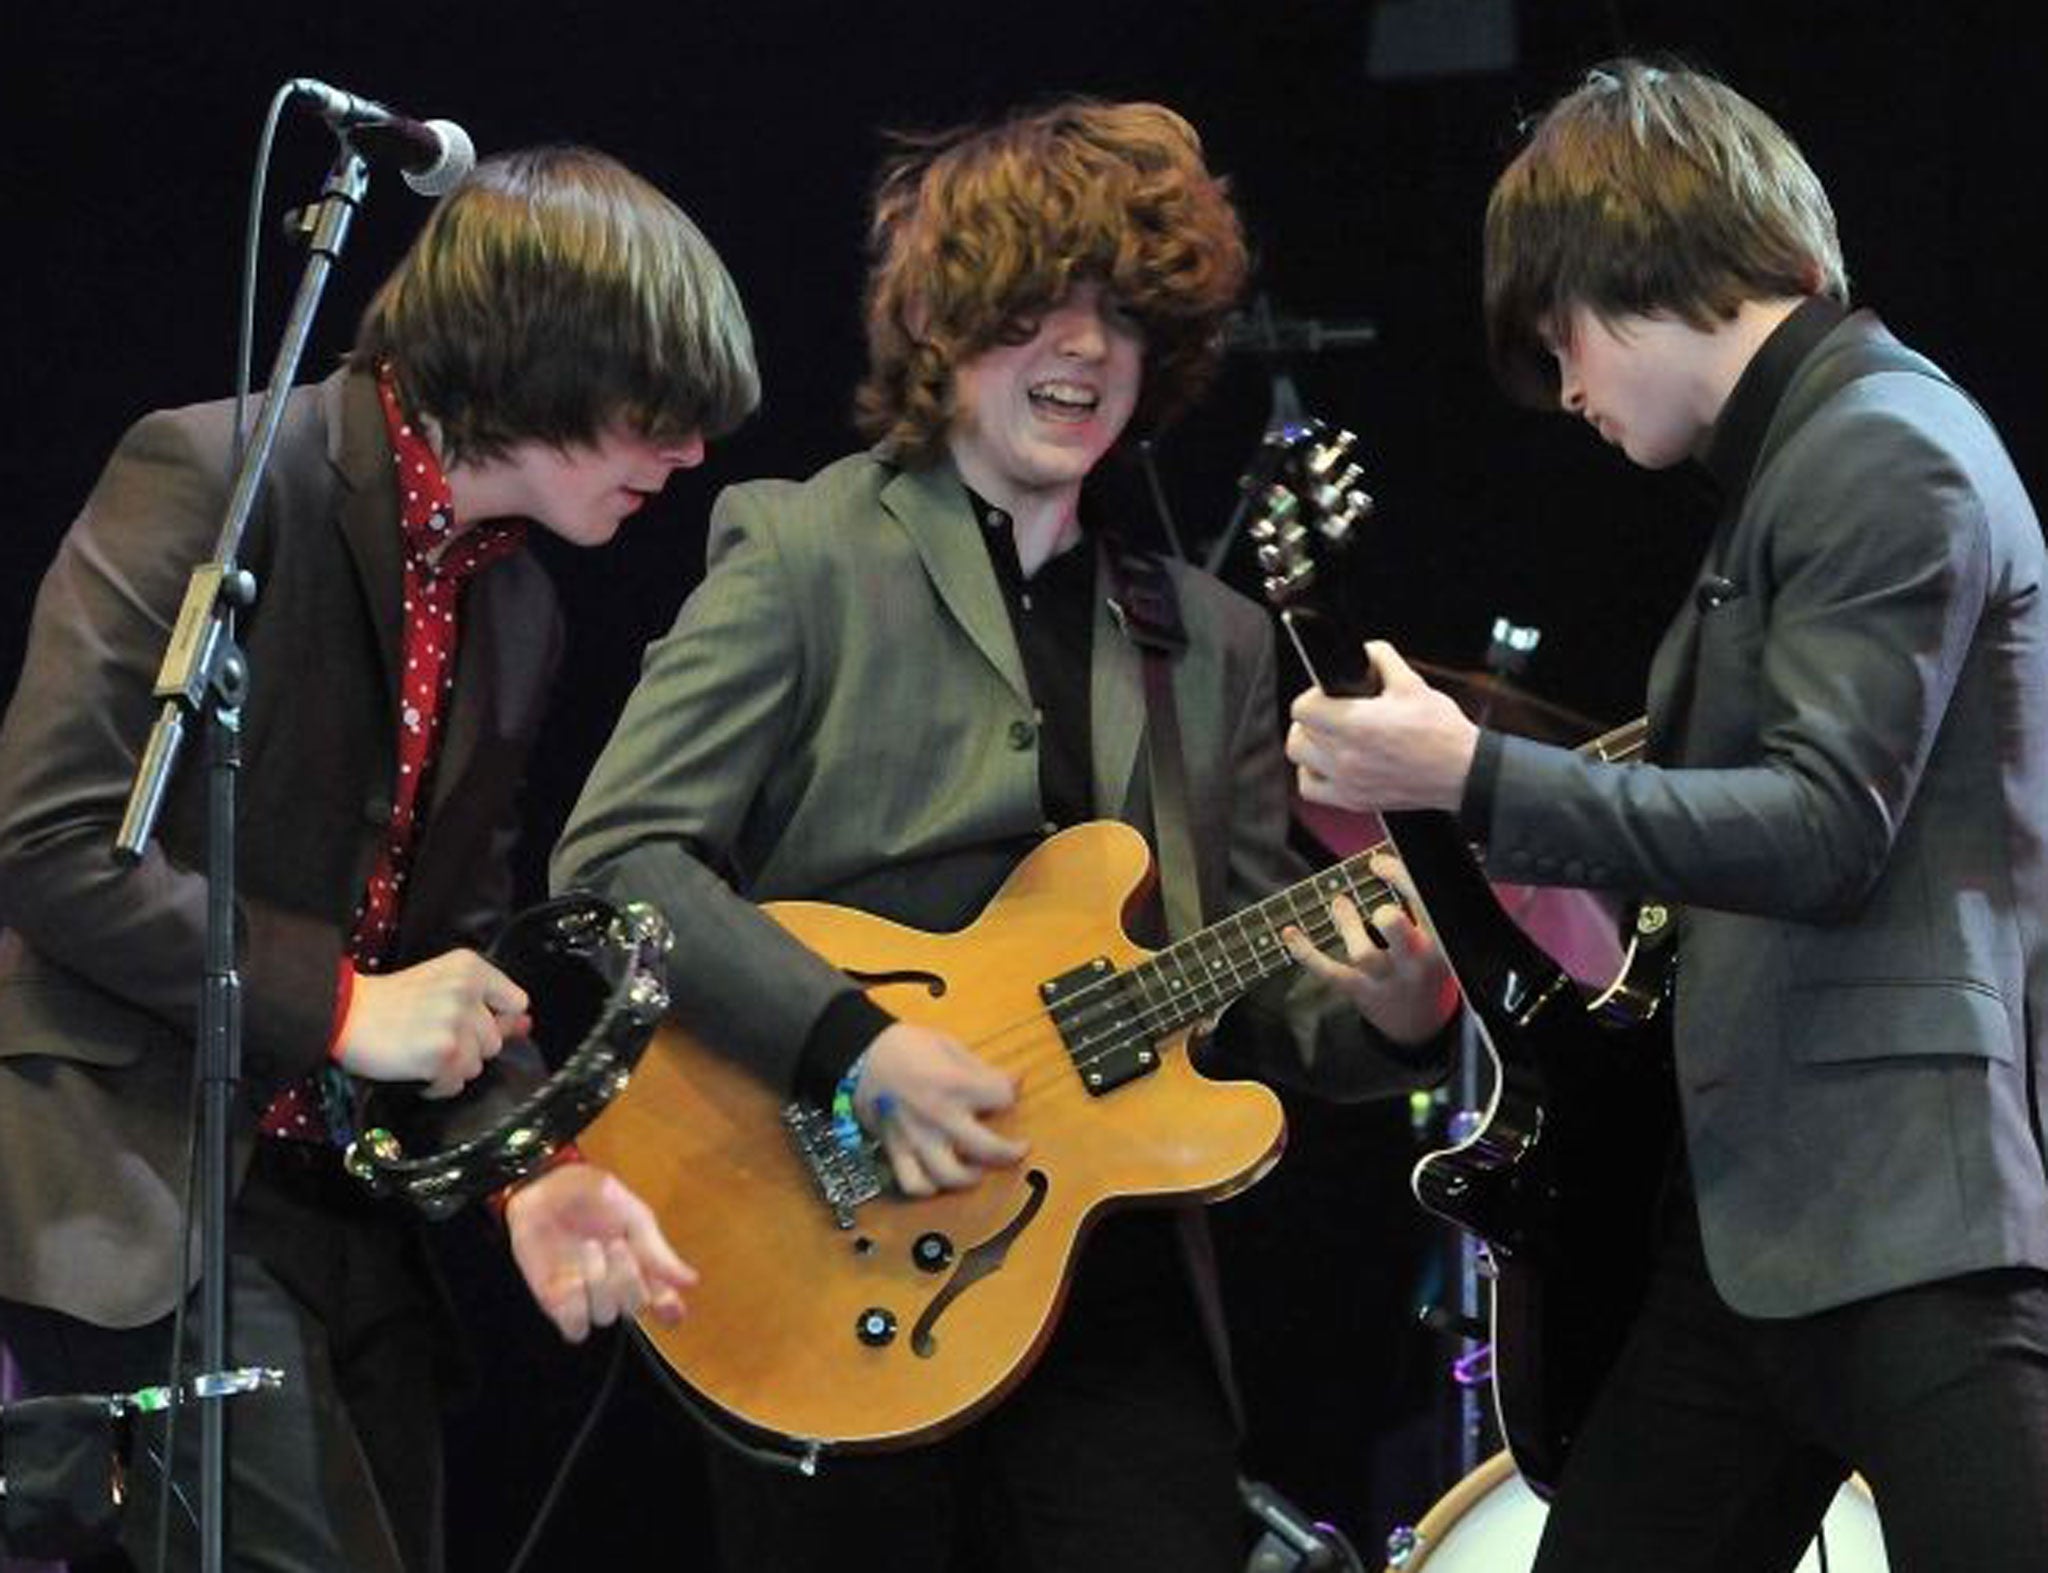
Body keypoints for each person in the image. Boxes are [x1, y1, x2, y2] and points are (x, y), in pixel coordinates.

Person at [550, 98, 1458, 1573]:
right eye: (1041, 308)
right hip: (820, 1260)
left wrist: (1400, 1010)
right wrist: (854, 1043)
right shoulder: (804, 549)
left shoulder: (1211, 640)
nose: (1088, 351)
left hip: (1104, 1294)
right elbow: (616, 861)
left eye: (1124, 318)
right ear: (949, 323)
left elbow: (1250, 987)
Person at [1286, 59, 2048, 1573]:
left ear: (1641, 271)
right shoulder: (1802, 465)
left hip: (1905, 1214)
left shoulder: (1880, 446)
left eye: (1562, 339)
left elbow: (1826, 830)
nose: (1566, 388)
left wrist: (1469, 776)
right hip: (1766, 1227)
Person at [0, 145, 761, 1572]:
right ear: (543, 356)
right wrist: (348, 1007)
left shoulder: (515, 604)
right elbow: (47, 843)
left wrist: (537, 1166)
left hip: (331, 1204)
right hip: (141, 1169)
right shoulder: (224, 475)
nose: (689, 455)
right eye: (660, 412)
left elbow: (453, 954)